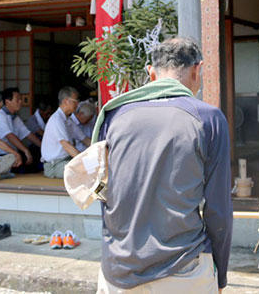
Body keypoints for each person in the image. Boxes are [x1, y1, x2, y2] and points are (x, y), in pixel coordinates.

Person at [95, 38, 231, 293]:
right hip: (183, 269)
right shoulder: (208, 119)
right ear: (197, 70)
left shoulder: (114, 116)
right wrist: (220, 275)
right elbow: (218, 211)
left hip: (118, 270)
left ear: (151, 73)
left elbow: (103, 195)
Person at [0, 87, 40, 171]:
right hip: (0, 155)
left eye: (20, 99)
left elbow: (27, 134)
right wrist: (25, 150)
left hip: (13, 154)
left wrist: (43, 146)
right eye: (17, 100)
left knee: (36, 155)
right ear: (7, 102)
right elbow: (10, 136)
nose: (20, 102)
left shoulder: (15, 117)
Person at [40, 87, 80, 178]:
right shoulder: (56, 119)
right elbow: (66, 145)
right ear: (66, 101)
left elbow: (84, 138)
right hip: (54, 165)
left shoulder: (68, 119)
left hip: (65, 161)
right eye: (75, 101)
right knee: (82, 170)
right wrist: (83, 160)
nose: (77, 104)